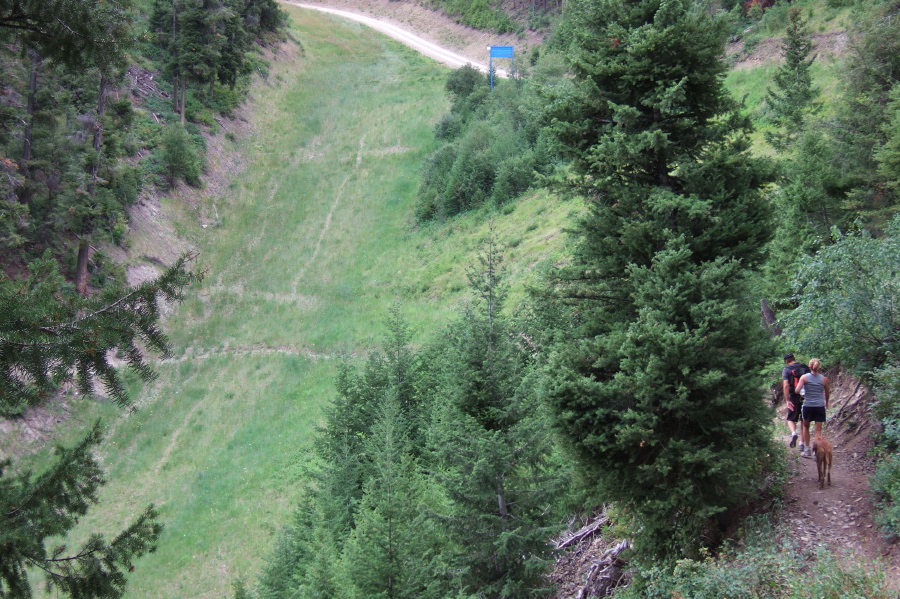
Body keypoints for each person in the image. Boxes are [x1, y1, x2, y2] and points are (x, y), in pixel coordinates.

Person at [795, 358, 830, 459]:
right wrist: (826, 403)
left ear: (809, 366)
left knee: (806, 427)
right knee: (817, 430)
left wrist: (803, 393)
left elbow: (797, 390)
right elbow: (827, 393)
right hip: (819, 406)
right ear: (819, 367)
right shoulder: (824, 379)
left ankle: (807, 450)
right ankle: (816, 452)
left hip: (808, 406)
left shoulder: (804, 378)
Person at [782, 353, 809, 451]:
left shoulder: (786, 370)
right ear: (794, 359)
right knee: (804, 420)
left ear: (786, 362)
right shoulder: (804, 367)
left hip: (794, 396)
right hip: (805, 396)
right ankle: (802, 444)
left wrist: (787, 400)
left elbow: (786, 385)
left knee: (791, 418)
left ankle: (794, 433)